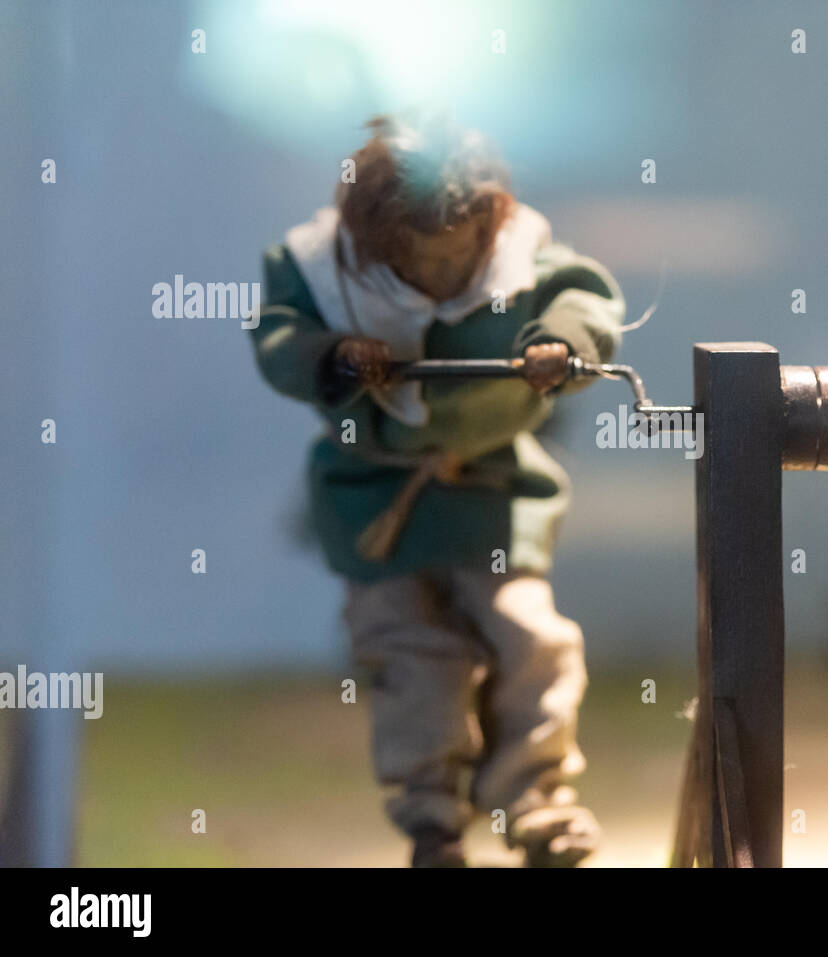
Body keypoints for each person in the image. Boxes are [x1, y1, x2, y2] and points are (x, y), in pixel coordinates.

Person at [248, 115, 624, 867]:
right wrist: (338, 356)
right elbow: (280, 338)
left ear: (488, 223)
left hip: (491, 488)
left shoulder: (521, 255)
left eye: (458, 257)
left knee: (532, 642)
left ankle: (539, 805)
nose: (441, 276)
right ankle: (431, 820)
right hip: (376, 498)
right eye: (421, 262)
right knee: (412, 659)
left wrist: (563, 348)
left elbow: (584, 299)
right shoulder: (320, 268)